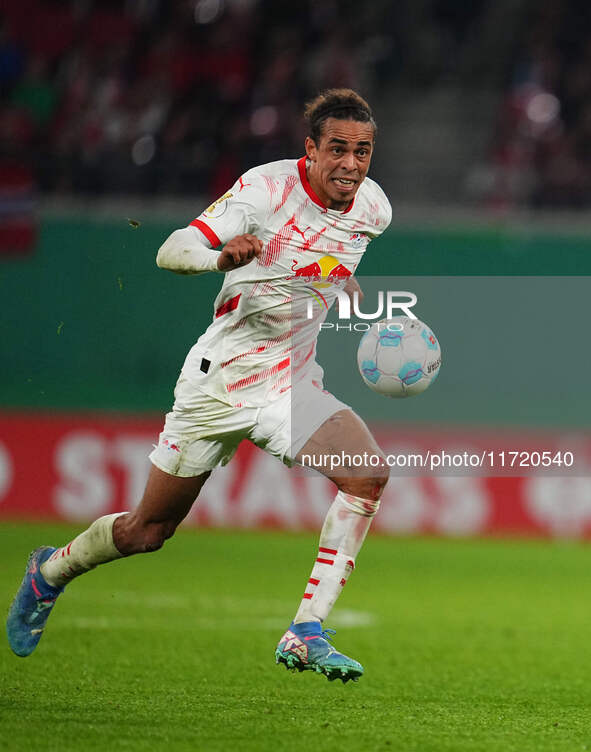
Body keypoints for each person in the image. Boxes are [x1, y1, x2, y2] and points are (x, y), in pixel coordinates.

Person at [7, 88, 392, 683]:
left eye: (362, 152)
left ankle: (306, 631)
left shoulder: (374, 210)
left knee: (366, 474)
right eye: (337, 149)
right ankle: (49, 572)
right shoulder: (264, 191)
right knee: (147, 531)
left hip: (290, 383)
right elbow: (172, 249)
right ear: (309, 148)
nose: (350, 164)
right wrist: (220, 259)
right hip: (218, 383)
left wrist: (334, 281)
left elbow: (319, 258)